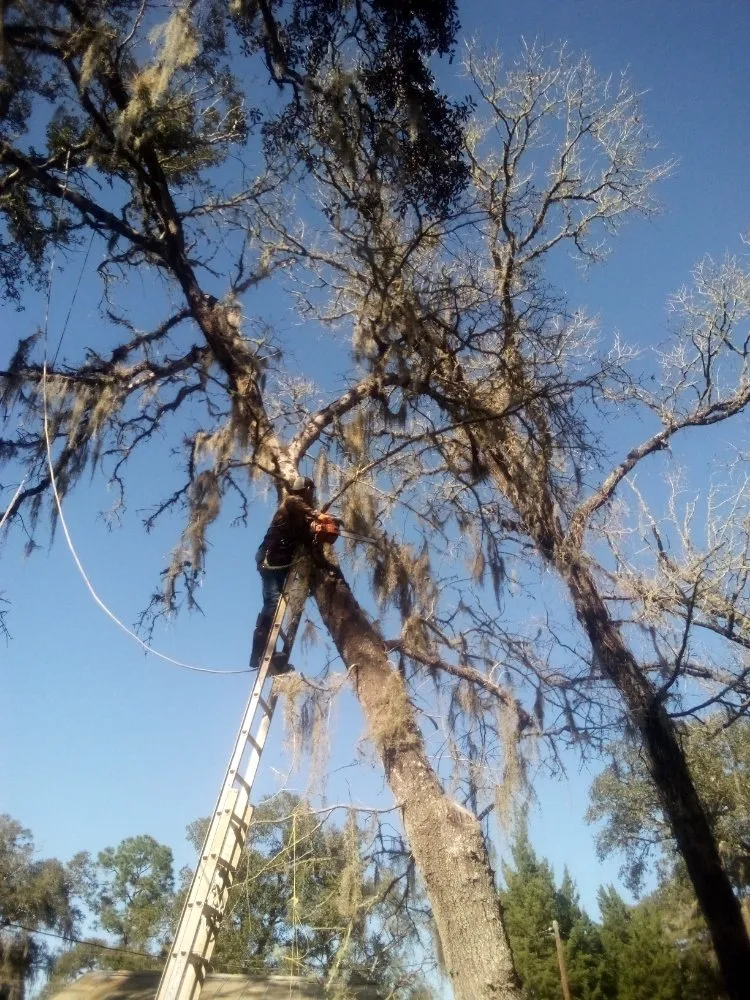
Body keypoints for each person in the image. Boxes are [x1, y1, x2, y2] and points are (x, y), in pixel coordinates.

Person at [249, 476, 328, 674]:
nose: (312, 494)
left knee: (277, 605)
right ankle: (259, 655)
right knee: (273, 603)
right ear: (306, 489)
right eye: (311, 490)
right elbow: (303, 507)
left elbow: (305, 539)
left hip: (281, 564)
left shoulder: (299, 520)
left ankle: (273, 658)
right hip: (270, 559)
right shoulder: (292, 501)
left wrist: (318, 533)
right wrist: (321, 517)